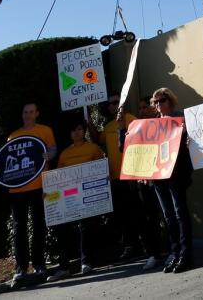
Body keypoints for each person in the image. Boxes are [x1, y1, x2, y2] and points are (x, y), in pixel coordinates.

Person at [103, 95, 165, 267]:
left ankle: (170, 250)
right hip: (140, 179)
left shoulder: (160, 123)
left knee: (164, 214)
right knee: (146, 216)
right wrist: (122, 128)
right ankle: (154, 253)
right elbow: (124, 147)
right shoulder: (134, 125)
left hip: (160, 177)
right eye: (141, 108)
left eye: (146, 107)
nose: (142, 110)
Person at [47, 117, 105, 281]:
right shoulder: (65, 153)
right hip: (70, 199)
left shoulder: (93, 148)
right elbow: (58, 178)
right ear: (70, 134)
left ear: (84, 131)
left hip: (87, 197)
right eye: (74, 130)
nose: (77, 133)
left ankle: (86, 262)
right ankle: (64, 267)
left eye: (80, 129)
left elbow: (101, 170)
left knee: (86, 227)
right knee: (62, 229)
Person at [6, 102, 57, 282]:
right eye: (25, 112)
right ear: (22, 114)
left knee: (38, 225)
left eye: (31, 112)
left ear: (37, 113)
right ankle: (21, 266)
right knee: (19, 228)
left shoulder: (45, 130)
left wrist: (49, 155)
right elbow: (5, 162)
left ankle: (39, 264)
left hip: (40, 185)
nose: (28, 115)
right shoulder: (13, 136)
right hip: (17, 189)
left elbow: (52, 149)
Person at [150, 87, 195, 273]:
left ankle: (186, 254)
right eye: (156, 102)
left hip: (177, 173)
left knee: (179, 212)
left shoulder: (181, 118)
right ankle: (175, 253)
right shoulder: (152, 125)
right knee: (168, 216)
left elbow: (194, 141)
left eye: (162, 101)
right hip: (159, 175)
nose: (159, 105)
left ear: (170, 101)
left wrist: (187, 137)